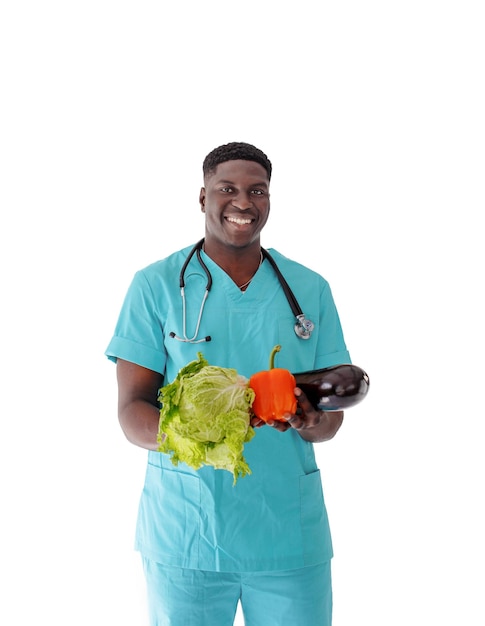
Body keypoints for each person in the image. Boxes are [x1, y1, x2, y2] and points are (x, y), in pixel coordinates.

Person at [105, 141, 352, 626]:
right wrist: (196, 438)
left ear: (269, 200)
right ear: (203, 198)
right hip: (186, 530)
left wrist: (312, 420)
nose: (243, 202)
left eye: (257, 190)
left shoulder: (310, 289)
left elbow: (331, 422)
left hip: (287, 531)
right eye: (227, 188)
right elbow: (132, 410)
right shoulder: (155, 285)